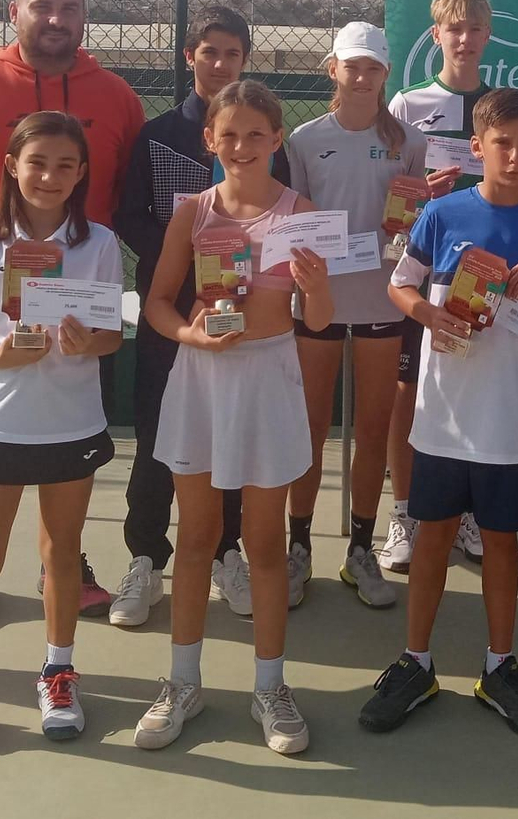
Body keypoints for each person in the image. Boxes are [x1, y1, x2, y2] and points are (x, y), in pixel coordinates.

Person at [0, 0, 145, 618]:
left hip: (81, 292)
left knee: (71, 434)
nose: (56, 20)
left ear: (84, 18)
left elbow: (123, 197)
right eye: (43, 6)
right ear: (14, 11)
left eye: (70, 9)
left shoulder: (116, 95)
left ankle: (67, 561)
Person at [359, 88, 518, 738]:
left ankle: (500, 666)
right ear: (477, 147)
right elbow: (399, 284)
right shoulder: (443, 214)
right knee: (433, 537)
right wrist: (430, 314)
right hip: (443, 416)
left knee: (501, 543)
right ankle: (416, 661)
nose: (513, 154)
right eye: (501, 143)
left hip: (511, 419)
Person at [0, 112, 125, 764]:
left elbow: (114, 335)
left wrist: (88, 341)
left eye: (66, 165)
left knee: (63, 554)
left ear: (82, 174)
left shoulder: (100, 245)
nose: (50, 176)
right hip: (2, 422)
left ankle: (58, 675)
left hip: (74, 423)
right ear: (12, 165)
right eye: (37, 162)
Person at [136, 80, 332, 755]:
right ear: (208, 141)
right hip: (201, 381)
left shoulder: (300, 212)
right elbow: (159, 303)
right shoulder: (192, 213)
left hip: (271, 377)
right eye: (230, 134)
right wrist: (189, 337)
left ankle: (270, 687)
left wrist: (316, 290)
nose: (243, 146)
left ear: (277, 139)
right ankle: (183, 682)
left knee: (266, 543)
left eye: (257, 134)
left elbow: (321, 320)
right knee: (195, 538)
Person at [108, 6, 291, 626]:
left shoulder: (263, 145)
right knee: (161, 435)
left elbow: (278, 232)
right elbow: (130, 214)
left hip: (249, 328)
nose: (220, 63)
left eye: (232, 54)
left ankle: (226, 553)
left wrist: (244, 281)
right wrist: (191, 264)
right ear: (190, 56)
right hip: (179, 318)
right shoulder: (159, 135)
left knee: (235, 446)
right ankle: (145, 557)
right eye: (209, 51)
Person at [285, 22, 426, 610]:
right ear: (333, 70)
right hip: (317, 299)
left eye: (373, 68)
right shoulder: (302, 138)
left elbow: (416, 220)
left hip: (381, 300)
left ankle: (361, 551)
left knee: (372, 431)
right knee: (310, 429)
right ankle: (298, 549)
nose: (362, 77)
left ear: (386, 74)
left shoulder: (409, 141)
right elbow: (294, 218)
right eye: (352, 66)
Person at [379, 0, 496, 574]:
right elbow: (393, 199)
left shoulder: (502, 104)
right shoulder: (406, 104)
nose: (466, 39)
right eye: (455, 29)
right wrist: (422, 194)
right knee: (409, 393)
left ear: (486, 35)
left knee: (472, 390)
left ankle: (469, 511)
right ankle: (404, 513)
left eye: (476, 29)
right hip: (422, 272)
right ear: (437, 35)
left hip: (482, 275)